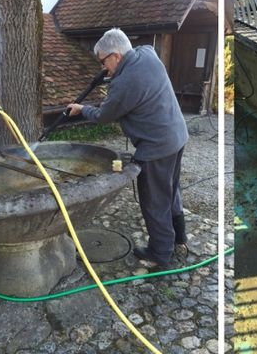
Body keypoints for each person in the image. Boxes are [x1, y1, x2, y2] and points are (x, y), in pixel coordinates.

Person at [67, 28, 189, 267]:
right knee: (171, 190)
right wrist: (112, 77)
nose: (104, 68)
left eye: (104, 61)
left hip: (157, 146)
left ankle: (160, 253)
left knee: (154, 201)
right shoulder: (147, 54)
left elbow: (104, 115)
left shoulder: (125, 83)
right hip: (177, 136)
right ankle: (179, 237)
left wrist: (81, 109)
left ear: (116, 56)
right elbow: (135, 65)